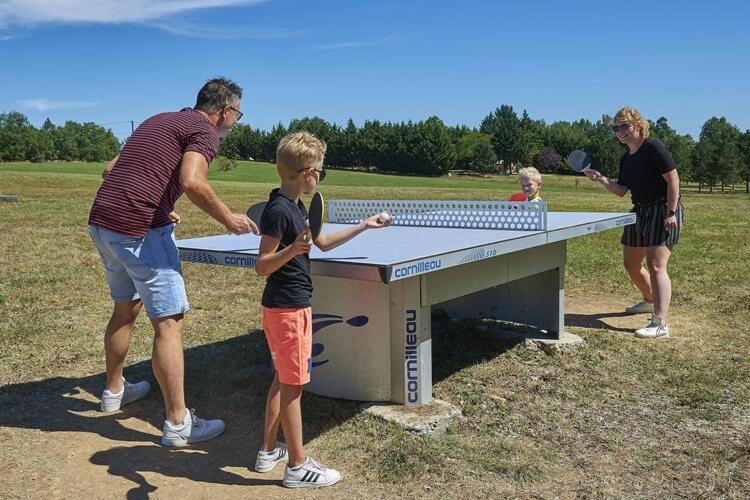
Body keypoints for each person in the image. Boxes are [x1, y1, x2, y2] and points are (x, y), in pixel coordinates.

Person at [88, 77, 257, 446]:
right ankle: (179, 422)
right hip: (140, 231)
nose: (235, 122)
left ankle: (114, 391)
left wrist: (163, 203)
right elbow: (192, 180)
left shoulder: (159, 120)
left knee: (125, 308)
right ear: (225, 112)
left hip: (102, 223)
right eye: (238, 115)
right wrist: (229, 218)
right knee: (169, 324)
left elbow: (111, 168)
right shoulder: (204, 131)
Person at [253, 131, 390, 488]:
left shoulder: (297, 206)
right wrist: (292, 250)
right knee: (294, 385)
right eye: (321, 172)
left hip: (288, 306)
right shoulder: (279, 211)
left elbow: (322, 243)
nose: (319, 179)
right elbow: (262, 265)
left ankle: (269, 450)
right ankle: (298, 467)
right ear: (307, 172)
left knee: (282, 379)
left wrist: (364, 225)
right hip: (288, 308)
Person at [584, 107, 683, 339]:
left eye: (624, 126)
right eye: (616, 128)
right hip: (639, 211)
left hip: (662, 208)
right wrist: (602, 179)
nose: (620, 131)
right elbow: (621, 191)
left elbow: (673, 180)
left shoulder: (653, 147)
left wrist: (670, 212)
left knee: (656, 265)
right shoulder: (626, 157)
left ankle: (660, 323)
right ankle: (650, 300)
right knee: (631, 264)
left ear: (638, 126)